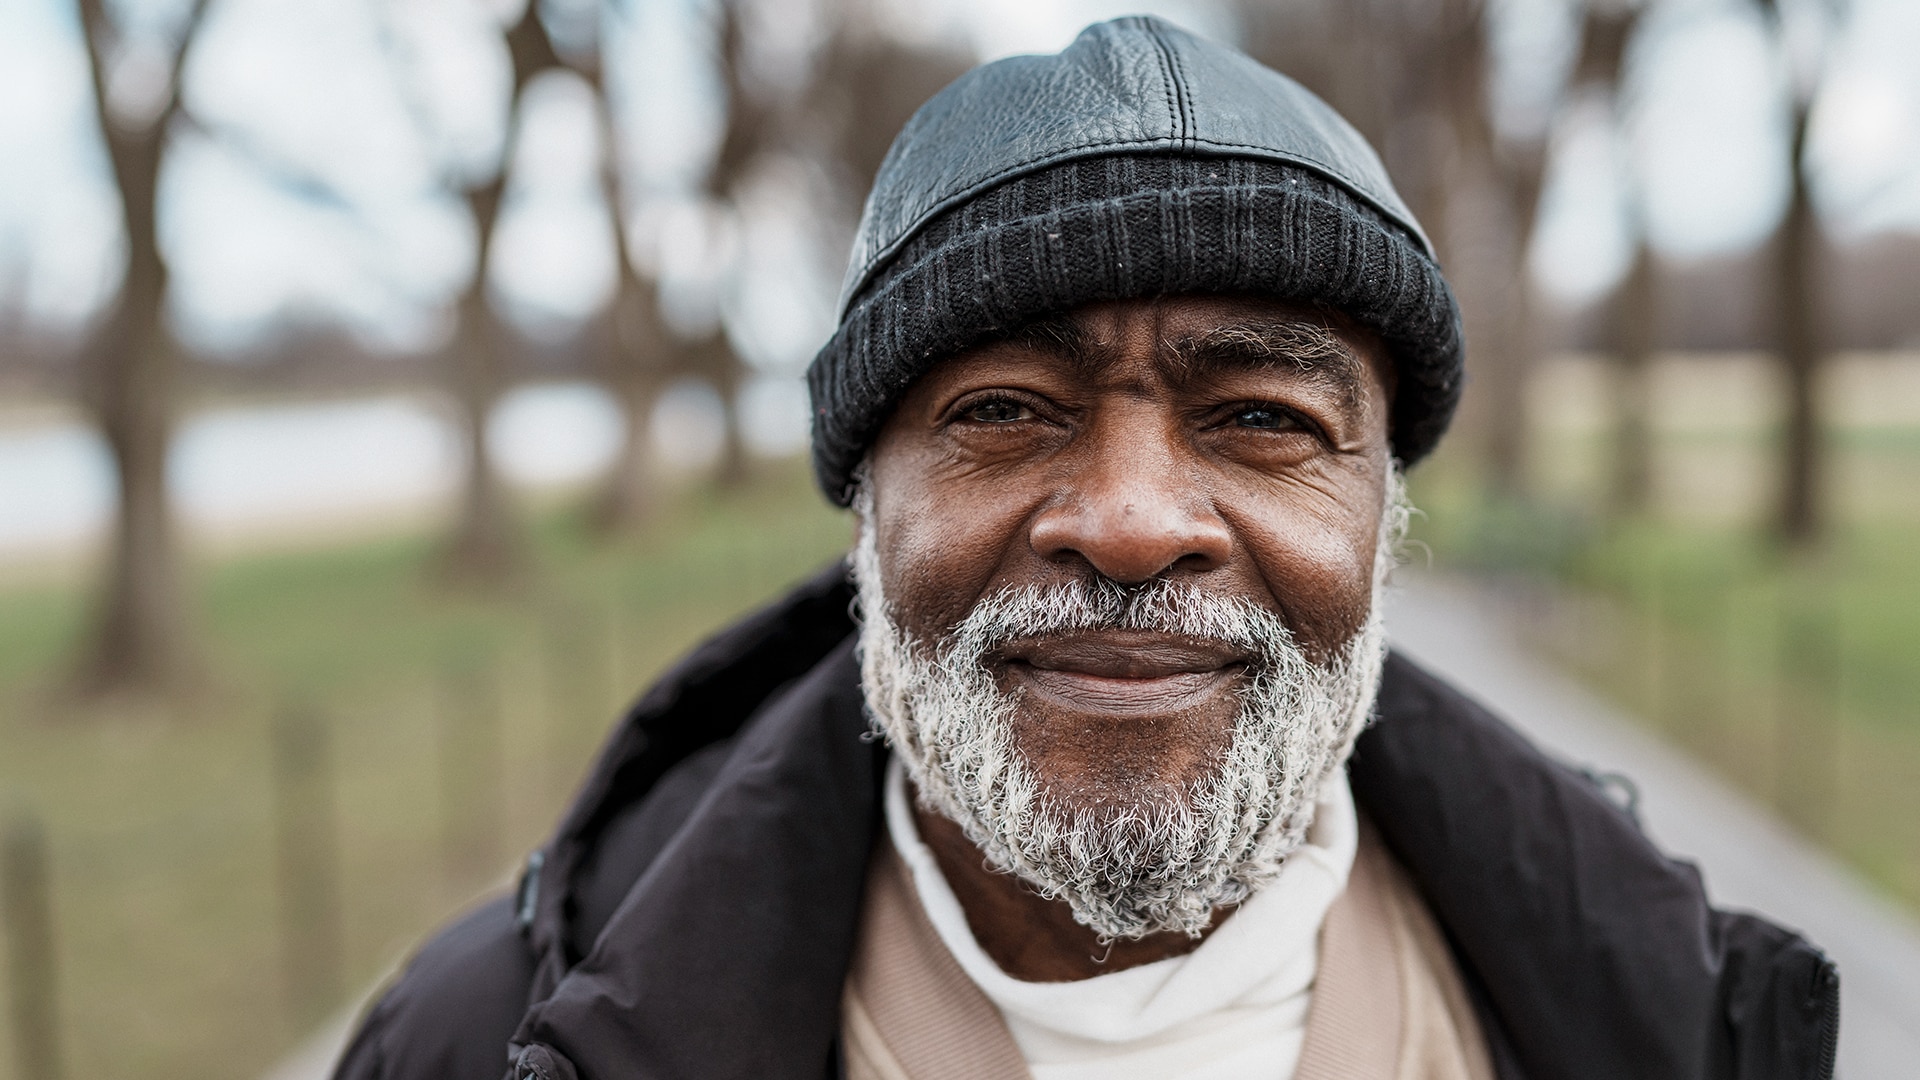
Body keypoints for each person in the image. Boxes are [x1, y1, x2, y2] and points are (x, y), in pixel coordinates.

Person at [334, 18, 1837, 1080]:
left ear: (1387, 512)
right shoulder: (482, 1043)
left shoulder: (1668, 1015)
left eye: (1258, 417)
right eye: (1003, 410)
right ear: (868, 508)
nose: (1128, 521)